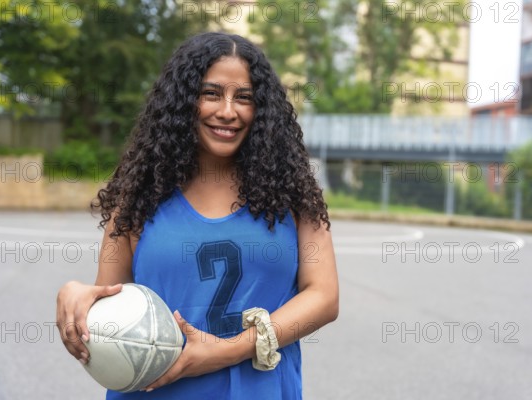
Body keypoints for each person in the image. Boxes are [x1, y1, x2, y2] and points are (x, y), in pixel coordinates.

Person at [56, 31, 339, 399]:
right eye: (211, 93)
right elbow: (112, 301)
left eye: (244, 98)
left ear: (262, 110)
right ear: (183, 101)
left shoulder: (294, 195)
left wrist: (228, 350)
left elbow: (324, 296)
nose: (227, 110)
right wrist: (76, 294)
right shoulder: (137, 199)